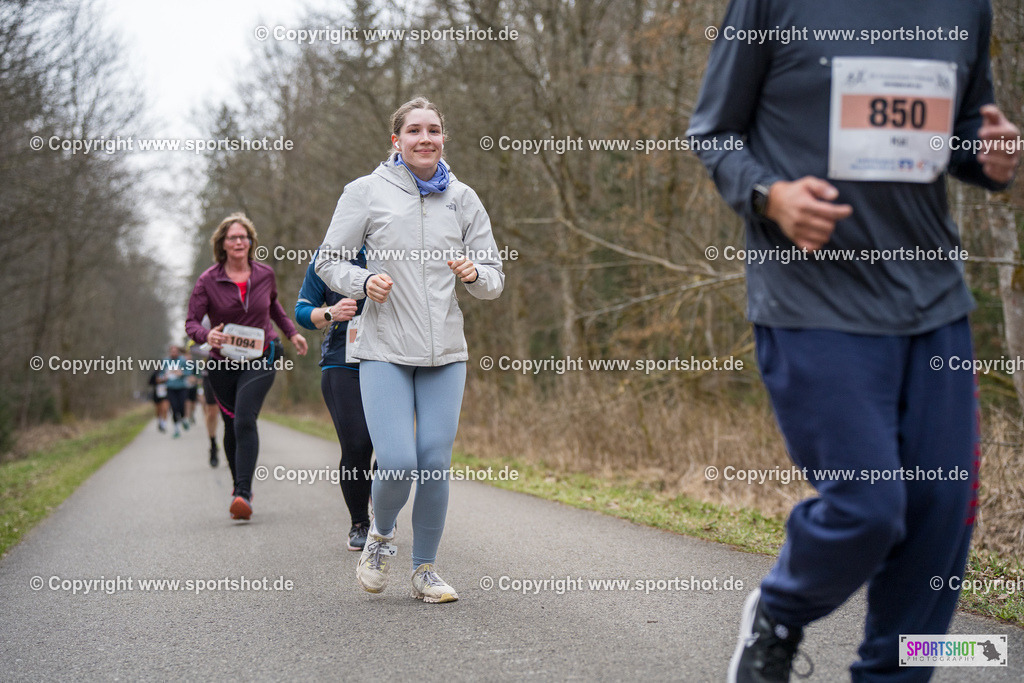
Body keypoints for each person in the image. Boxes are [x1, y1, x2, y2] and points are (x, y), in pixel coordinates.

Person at [686, 2, 1021, 681]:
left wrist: (992, 156)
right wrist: (770, 195)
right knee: (868, 506)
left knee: (941, 515)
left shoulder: (965, 7)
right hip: (814, 295)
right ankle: (779, 613)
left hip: (932, 298)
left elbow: (962, 133)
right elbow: (713, 133)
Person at [316, 96, 504, 602]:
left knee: (435, 463)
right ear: (396, 140)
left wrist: (475, 274)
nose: (426, 138)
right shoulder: (365, 191)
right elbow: (327, 262)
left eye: (434, 130)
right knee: (398, 462)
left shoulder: (463, 198)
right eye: (415, 130)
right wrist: (363, 280)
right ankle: (380, 537)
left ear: (444, 138)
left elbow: (494, 279)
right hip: (385, 348)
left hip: (446, 353)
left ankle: (425, 570)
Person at [186, 212, 308, 520]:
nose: (239, 242)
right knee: (231, 424)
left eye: (244, 237)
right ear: (223, 244)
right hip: (222, 363)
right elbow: (191, 323)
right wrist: (206, 335)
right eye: (233, 238)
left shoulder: (265, 274)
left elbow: (273, 306)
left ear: (251, 242)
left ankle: (243, 493)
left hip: (261, 356)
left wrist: (292, 333)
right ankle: (238, 487)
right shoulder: (208, 280)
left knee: (244, 419)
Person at [295, 249, 375, 551]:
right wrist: (330, 312)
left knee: (394, 445)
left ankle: (382, 499)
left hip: (393, 360)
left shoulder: (393, 243)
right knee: (357, 444)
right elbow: (303, 310)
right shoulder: (326, 256)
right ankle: (359, 523)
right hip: (343, 361)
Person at [161, 345, 190, 438]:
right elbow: (161, 373)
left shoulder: (182, 360)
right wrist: (164, 377)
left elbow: (189, 372)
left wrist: (182, 373)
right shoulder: (165, 361)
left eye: (175, 351)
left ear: (178, 352)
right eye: (172, 351)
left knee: (181, 407)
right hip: (171, 388)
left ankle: (184, 419)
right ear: (170, 352)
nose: (174, 353)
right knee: (174, 408)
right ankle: (176, 430)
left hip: (181, 387)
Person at [148, 367, 169, 432]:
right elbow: (150, 382)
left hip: (166, 394)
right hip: (157, 394)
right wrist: (157, 381)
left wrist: (165, 380)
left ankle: (164, 425)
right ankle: (160, 421)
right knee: (158, 410)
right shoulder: (155, 373)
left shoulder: (167, 372)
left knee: (165, 409)